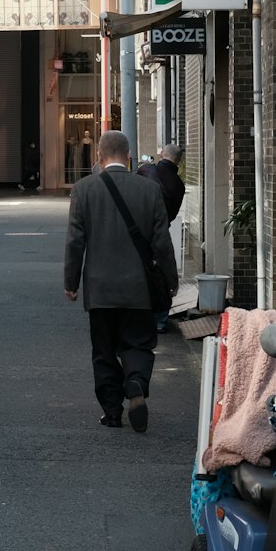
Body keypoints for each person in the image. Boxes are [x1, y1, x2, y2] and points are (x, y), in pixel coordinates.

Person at [64, 129, 178, 432]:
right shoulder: (148, 190)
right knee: (138, 344)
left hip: (100, 290)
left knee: (103, 351)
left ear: (98, 157)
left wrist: (71, 282)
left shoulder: (84, 188)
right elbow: (162, 242)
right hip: (138, 289)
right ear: (129, 157)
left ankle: (112, 412)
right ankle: (137, 382)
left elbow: (75, 241)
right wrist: (171, 280)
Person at [136, 144, 185, 332]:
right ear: (178, 161)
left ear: (162, 154)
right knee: (161, 272)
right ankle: (159, 319)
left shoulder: (146, 170)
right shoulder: (178, 185)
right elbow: (172, 214)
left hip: (137, 230)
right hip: (161, 230)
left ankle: (138, 314)